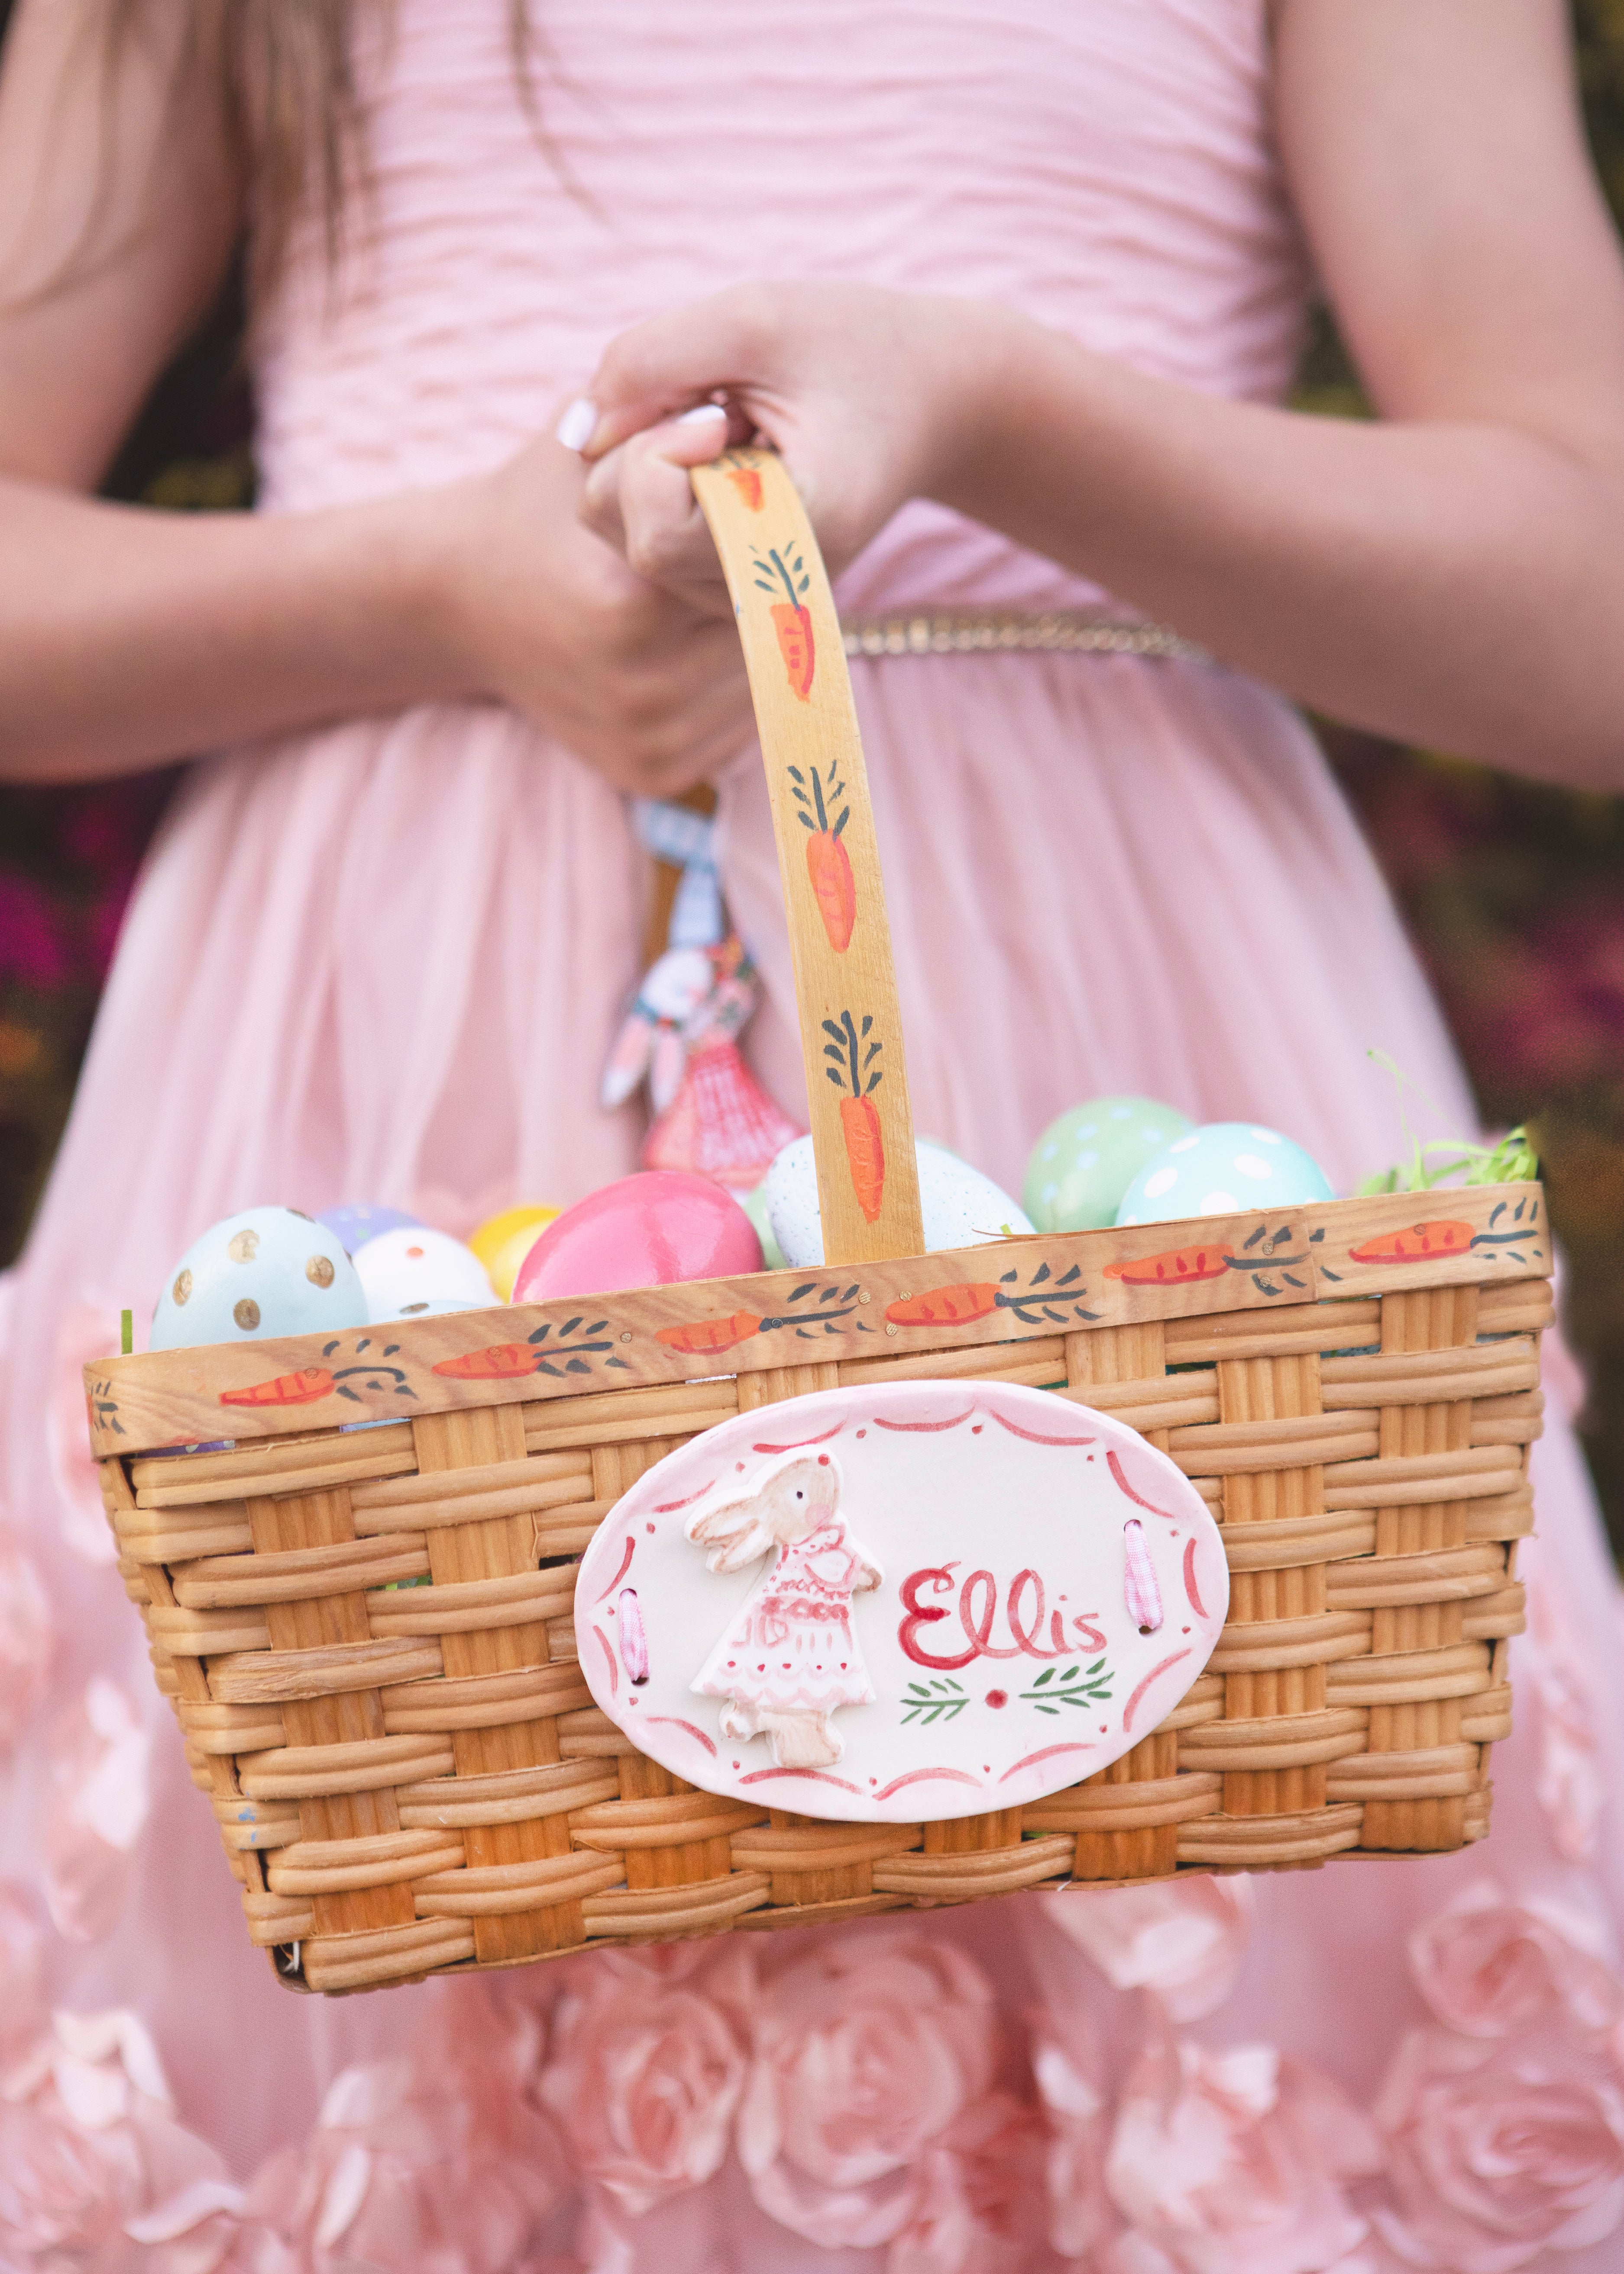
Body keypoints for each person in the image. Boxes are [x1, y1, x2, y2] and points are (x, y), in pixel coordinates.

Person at [1, 1, 1622, 2265]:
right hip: (394, 1037)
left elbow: (1588, 591)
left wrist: (990, 416)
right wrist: (425, 584)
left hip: (1081, 1018)